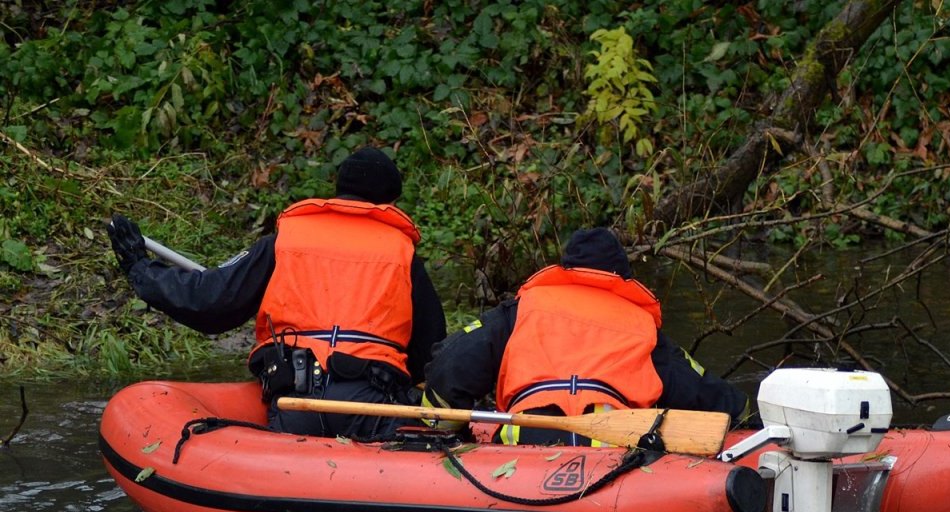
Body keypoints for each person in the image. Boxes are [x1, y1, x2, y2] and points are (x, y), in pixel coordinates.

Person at [106, 146, 447, 439]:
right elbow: (430, 350)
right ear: (389, 202)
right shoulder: (402, 255)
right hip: (368, 403)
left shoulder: (285, 241)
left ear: (338, 189)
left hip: (295, 397)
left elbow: (211, 300)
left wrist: (140, 267)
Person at [423, 227, 748, 445]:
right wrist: (747, 416)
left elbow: (452, 363)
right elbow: (698, 388)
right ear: (622, 276)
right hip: (613, 449)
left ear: (567, 269)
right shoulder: (641, 325)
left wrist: (446, 433)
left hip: (525, 444)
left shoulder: (523, 310)